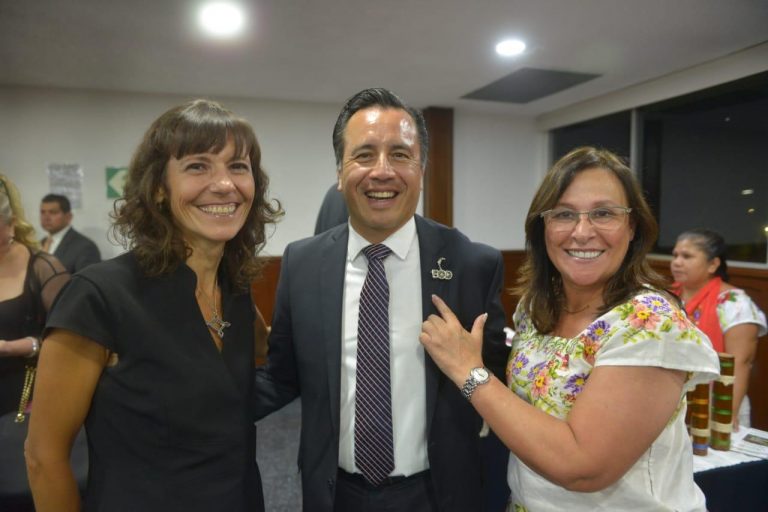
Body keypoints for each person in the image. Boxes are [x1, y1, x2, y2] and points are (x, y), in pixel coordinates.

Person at [420, 147, 720, 511]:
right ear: (543, 228)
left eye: (604, 213)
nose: (582, 232)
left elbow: (583, 467)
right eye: (564, 214)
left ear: (632, 227)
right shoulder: (537, 307)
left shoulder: (651, 322)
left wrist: (469, 371)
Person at [254, 88, 509, 512]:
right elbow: (282, 376)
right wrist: (192, 411)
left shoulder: (471, 264)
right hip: (335, 493)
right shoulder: (303, 264)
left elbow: (500, 377)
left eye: (401, 155)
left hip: (439, 494)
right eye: (364, 155)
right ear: (340, 172)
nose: (382, 171)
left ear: (421, 170)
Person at [25, 99, 283, 512]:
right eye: (197, 166)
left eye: (238, 166)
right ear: (159, 188)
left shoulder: (235, 288)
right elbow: (43, 457)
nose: (224, 184)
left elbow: (258, 366)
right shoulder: (98, 296)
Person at [0, 174, 69, 511]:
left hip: (24, 400)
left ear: (10, 223)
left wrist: (20, 346)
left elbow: (72, 344)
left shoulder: (44, 267)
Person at [671, 228, 766, 429]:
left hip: (717, 403)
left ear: (713, 264)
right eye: (675, 255)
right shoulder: (667, 297)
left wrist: (726, 415)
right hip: (670, 402)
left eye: (686, 256)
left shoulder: (734, 303)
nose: (677, 262)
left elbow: (740, 362)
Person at [39, 193, 101, 274]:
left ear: (68, 217)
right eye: (43, 212)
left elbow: (87, 280)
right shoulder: (40, 244)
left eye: (53, 212)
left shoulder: (85, 247)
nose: (46, 217)